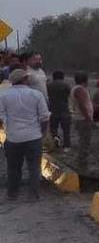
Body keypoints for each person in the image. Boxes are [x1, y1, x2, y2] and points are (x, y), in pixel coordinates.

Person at [0, 69, 50, 201]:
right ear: (25, 79)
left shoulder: (3, 96)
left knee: (13, 167)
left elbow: (1, 116)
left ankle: (12, 194)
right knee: (34, 167)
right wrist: (42, 132)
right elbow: (44, 117)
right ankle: (33, 195)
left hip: (13, 138)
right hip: (33, 136)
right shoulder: (36, 94)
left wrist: (6, 128)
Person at [71, 73, 94, 171]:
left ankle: (82, 162)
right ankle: (83, 165)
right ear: (86, 80)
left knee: (83, 141)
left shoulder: (77, 88)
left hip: (81, 118)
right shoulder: (80, 89)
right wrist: (88, 117)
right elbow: (82, 105)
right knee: (85, 142)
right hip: (83, 119)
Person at [46, 70, 72, 148]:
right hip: (64, 109)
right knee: (66, 130)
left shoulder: (49, 85)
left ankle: (55, 143)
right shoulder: (66, 84)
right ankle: (67, 145)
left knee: (53, 129)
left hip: (53, 109)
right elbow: (69, 94)